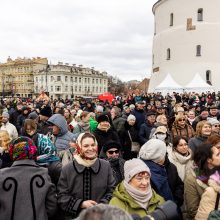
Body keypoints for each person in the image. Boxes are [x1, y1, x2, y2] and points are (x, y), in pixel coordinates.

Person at [57, 132, 115, 219]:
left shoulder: (105, 166)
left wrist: (101, 206)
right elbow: (62, 196)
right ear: (79, 147)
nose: (91, 148)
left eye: (93, 145)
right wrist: (81, 204)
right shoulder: (67, 169)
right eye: (86, 146)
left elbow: (112, 190)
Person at [0, 136, 57, 220]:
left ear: (11, 152)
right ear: (33, 151)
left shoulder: (2, 174)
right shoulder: (43, 173)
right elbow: (51, 206)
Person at [139, 139, 184, 209]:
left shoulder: (170, 167)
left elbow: (179, 184)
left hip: (174, 208)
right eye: (164, 152)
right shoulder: (142, 173)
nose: (165, 155)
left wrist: (177, 200)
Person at [184, 143, 220, 220]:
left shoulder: (218, 171)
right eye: (218, 155)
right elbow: (193, 210)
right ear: (209, 160)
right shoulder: (191, 179)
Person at [22, 119, 62, 185]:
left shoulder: (43, 138)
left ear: (35, 128)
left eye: (32, 129)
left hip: (48, 163)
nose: (30, 131)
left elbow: (51, 151)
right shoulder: (24, 139)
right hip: (32, 166)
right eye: (27, 130)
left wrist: (37, 158)